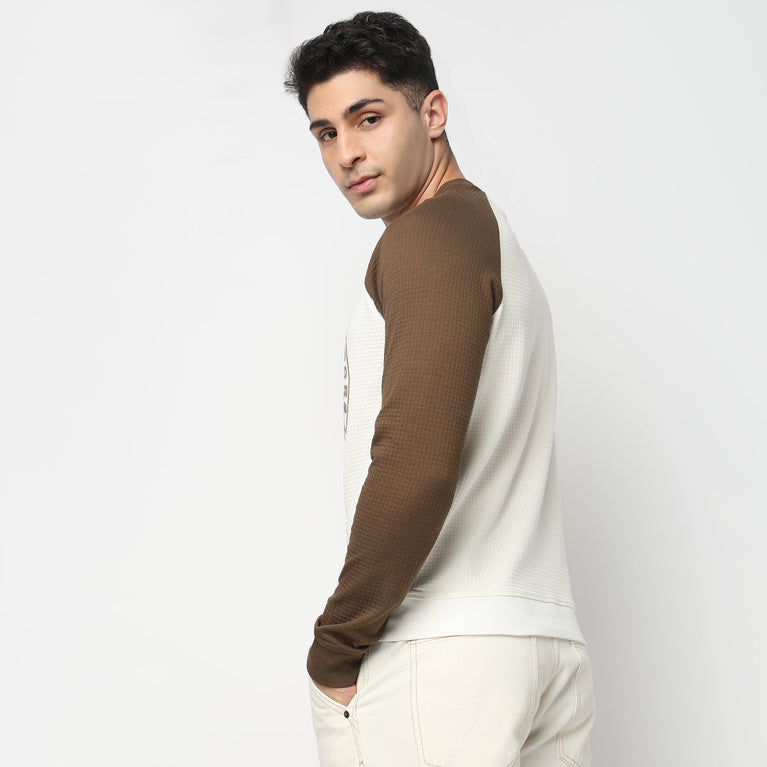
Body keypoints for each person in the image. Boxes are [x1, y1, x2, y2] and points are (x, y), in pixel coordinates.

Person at [284, 11, 596, 767]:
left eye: (367, 118)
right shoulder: (488, 236)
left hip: (444, 658)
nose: (347, 153)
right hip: (542, 641)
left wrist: (336, 646)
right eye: (325, 132)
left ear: (432, 113)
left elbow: (416, 461)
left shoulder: (426, 238)